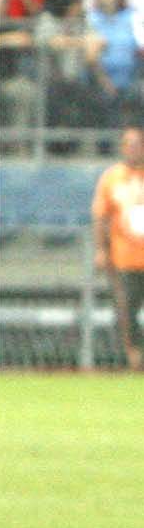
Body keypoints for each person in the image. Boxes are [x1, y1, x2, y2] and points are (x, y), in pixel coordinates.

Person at [92, 125, 144, 369]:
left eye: (138, 144)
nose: (134, 149)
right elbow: (101, 215)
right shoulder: (112, 178)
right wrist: (101, 249)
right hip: (124, 257)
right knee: (125, 310)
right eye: (129, 144)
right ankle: (132, 356)